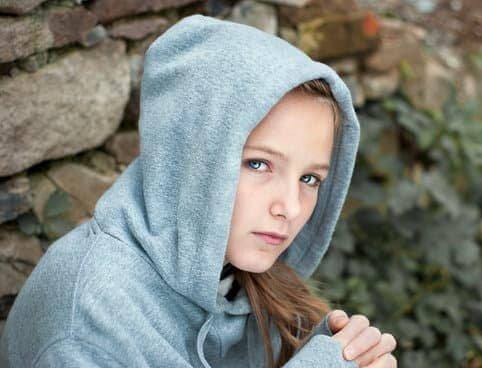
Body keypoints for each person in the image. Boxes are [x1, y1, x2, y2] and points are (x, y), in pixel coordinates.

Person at [0, 14, 397, 368]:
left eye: (310, 179)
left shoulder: (241, 278)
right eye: (258, 164)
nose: (290, 207)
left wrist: (317, 351)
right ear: (192, 155)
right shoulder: (86, 324)